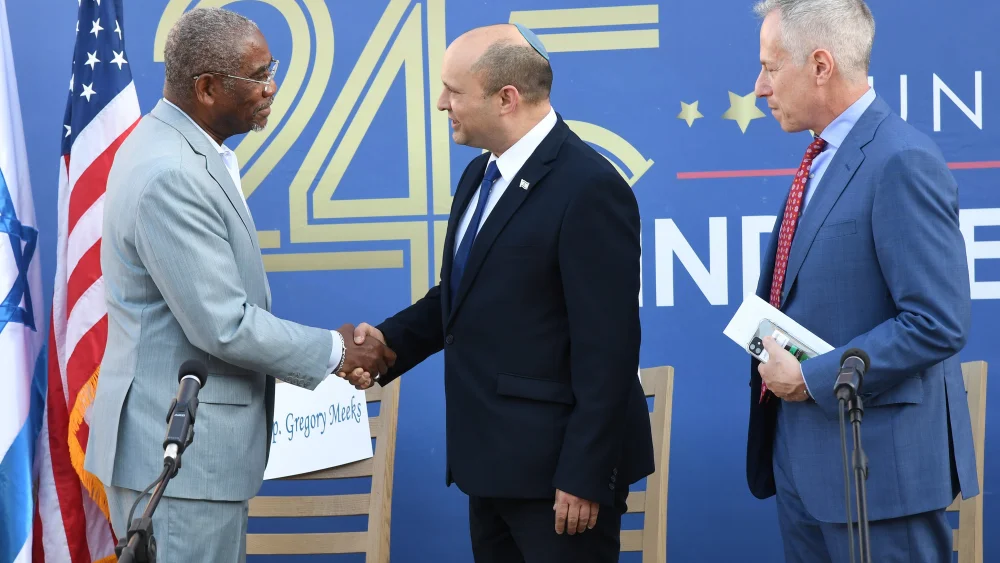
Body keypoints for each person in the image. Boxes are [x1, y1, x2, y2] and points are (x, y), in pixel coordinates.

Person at [84, 8, 395, 562]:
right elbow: (223, 325)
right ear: (206, 87)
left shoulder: (179, 148)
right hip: (179, 465)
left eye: (269, 69)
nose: (270, 87)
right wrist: (337, 351)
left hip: (186, 462)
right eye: (258, 75)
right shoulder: (173, 172)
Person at [343, 23, 654, 563]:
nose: (442, 103)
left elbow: (609, 347)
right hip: (490, 468)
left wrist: (583, 474)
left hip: (559, 481)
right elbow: (459, 297)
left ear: (507, 98)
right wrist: (387, 342)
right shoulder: (477, 176)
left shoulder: (588, 187)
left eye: (454, 91)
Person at [746, 0, 979, 561]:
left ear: (820, 65)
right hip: (803, 465)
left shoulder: (901, 159)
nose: (758, 87)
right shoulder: (822, 157)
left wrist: (811, 378)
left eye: (770, 67)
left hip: (878, 474)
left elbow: (936, 322)